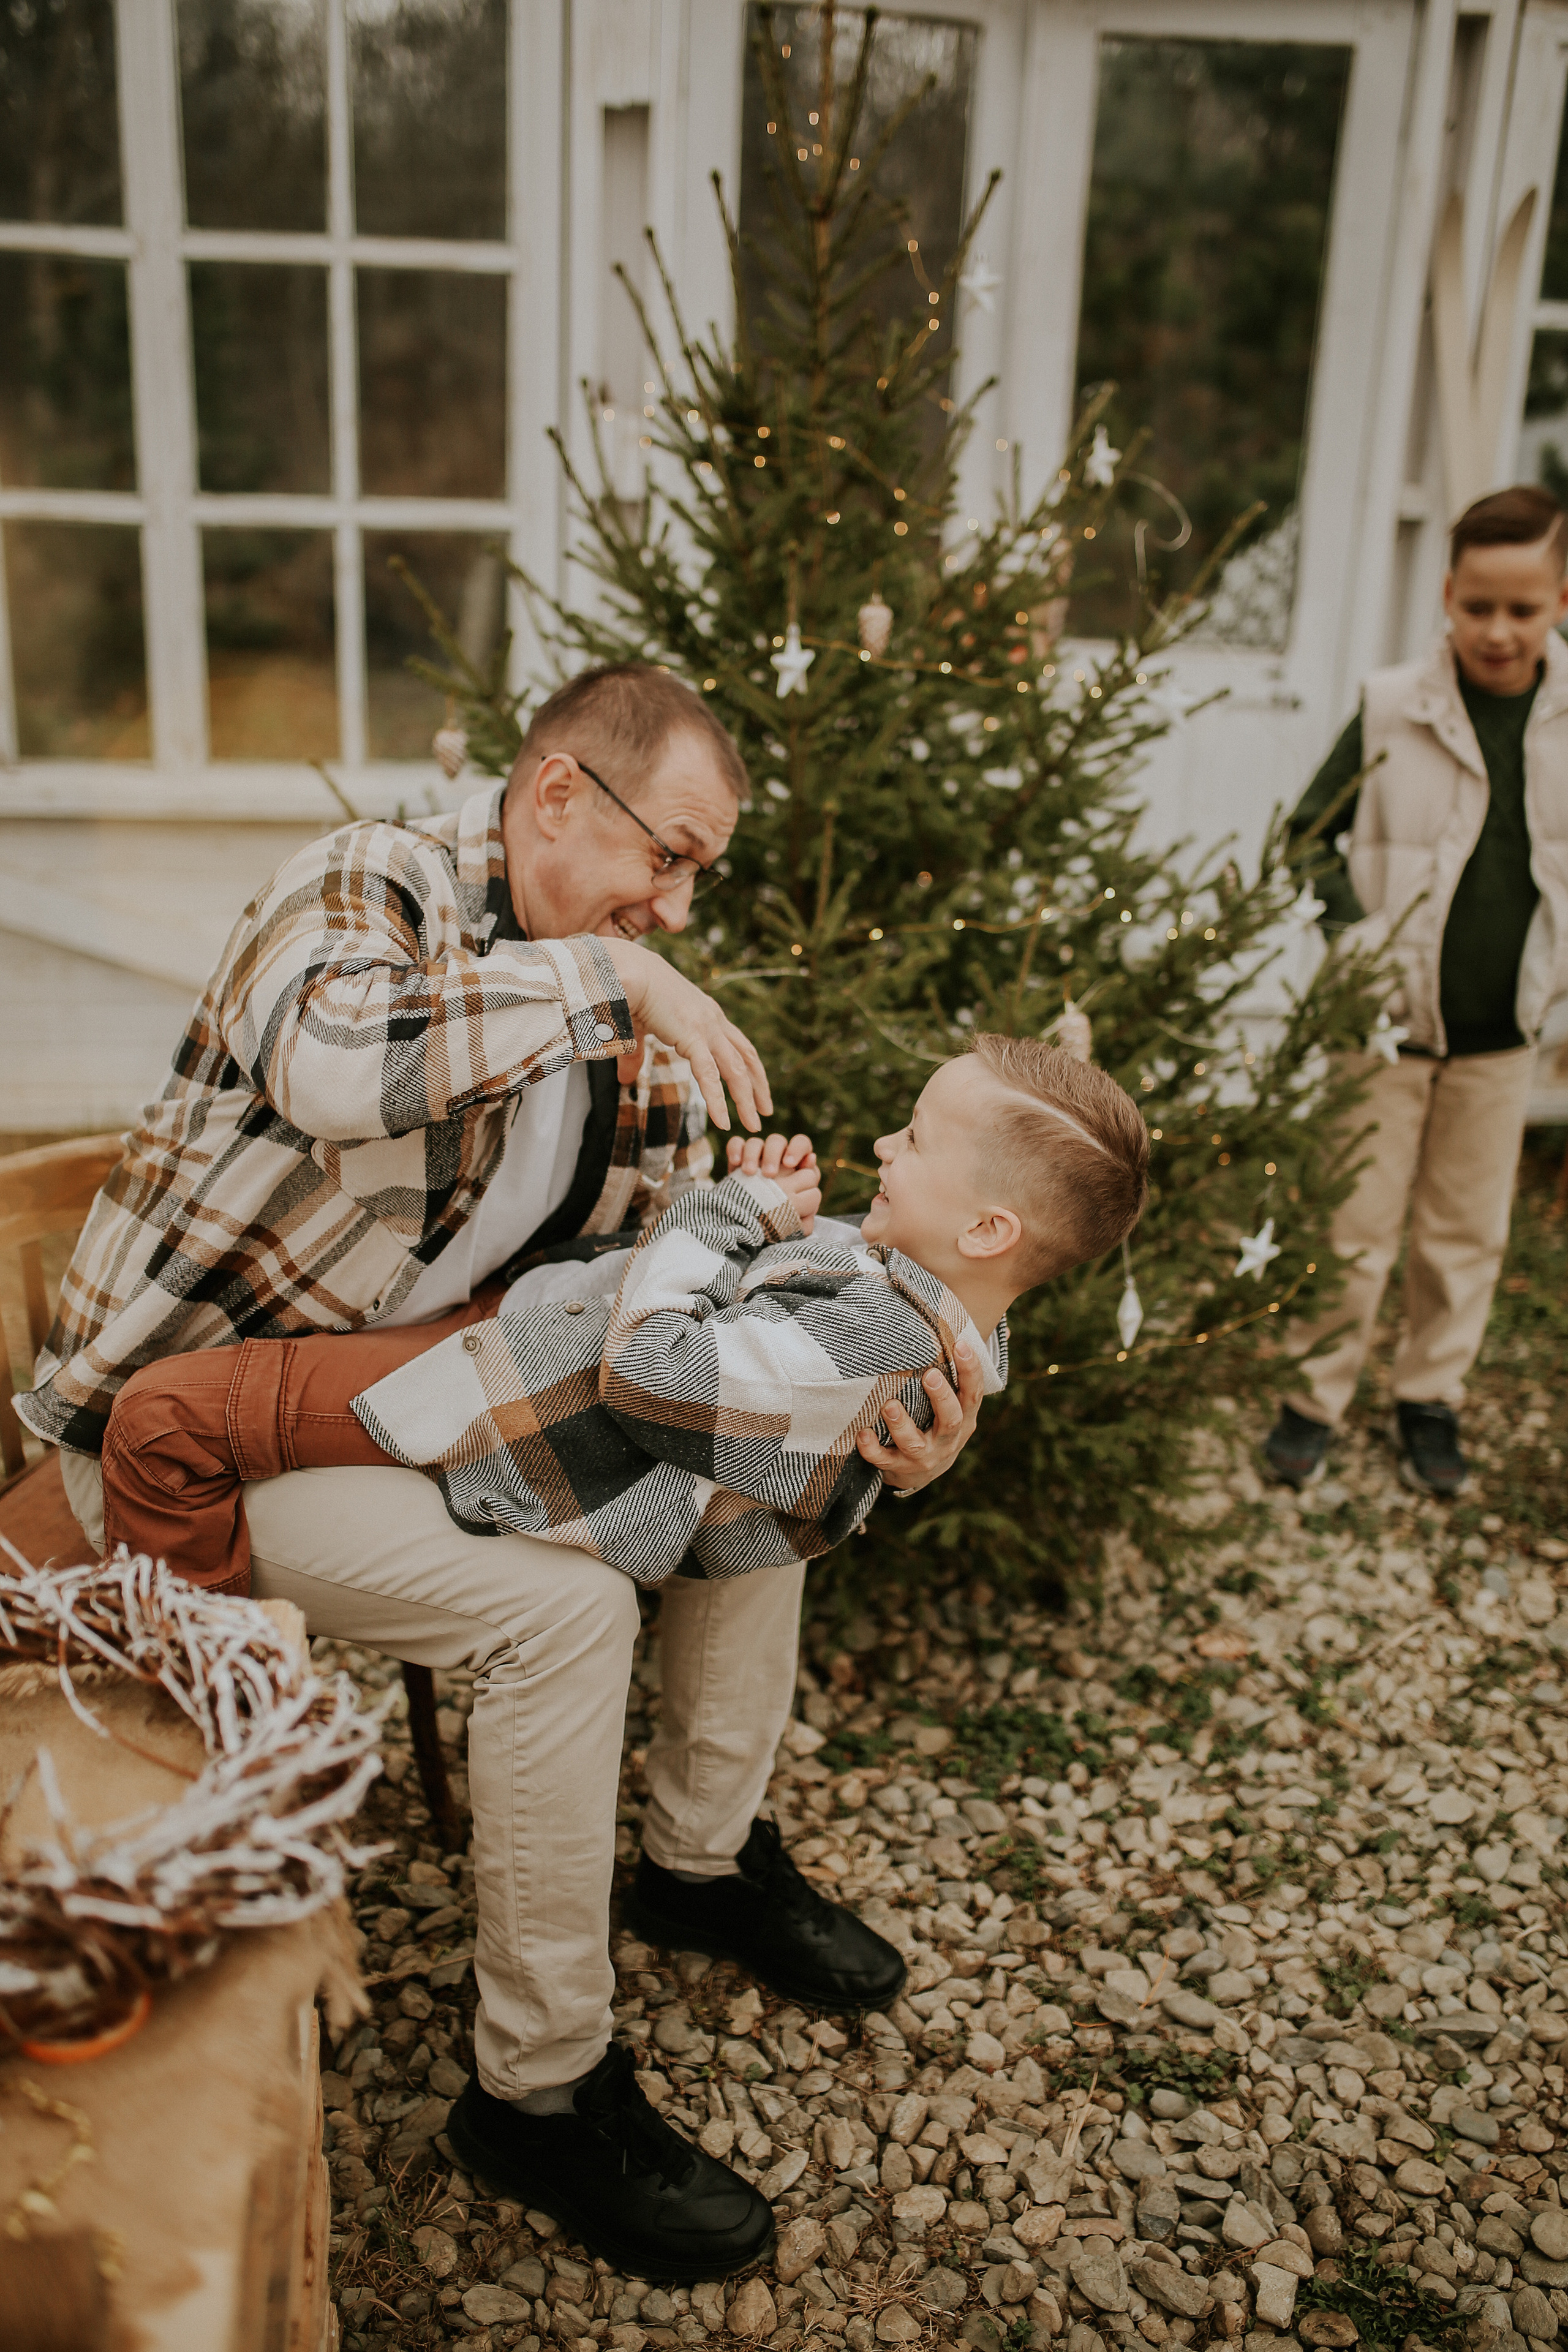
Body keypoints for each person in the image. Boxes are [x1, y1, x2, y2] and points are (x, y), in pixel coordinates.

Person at [18, 662, 989, 2283]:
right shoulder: (369, 883)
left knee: (742, 1485)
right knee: (565, 1618)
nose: (677, 908)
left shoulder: (636, 1014)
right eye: (663, 857)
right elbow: (341, 1065)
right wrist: (599, 975)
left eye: (697, 877)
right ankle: (537, 2093)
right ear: (556, 798)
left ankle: (700, 1858)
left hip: (428, 1401)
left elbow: (706, 1280)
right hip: (189, 1425)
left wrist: (898, 1421)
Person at [94, 1031, 1148, 2271]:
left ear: (982, 1233)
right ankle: (529, 2069)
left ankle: (685, 1884)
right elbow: (772, 1347)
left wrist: (748, 1235)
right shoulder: (452, 993)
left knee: (763, 1518)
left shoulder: (859, 1287)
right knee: (567, 1587)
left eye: (912, 1140)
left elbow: (691, 1359)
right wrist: (745, 1225)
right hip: (419, 1386)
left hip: (521, 1376)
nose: (879, 1144)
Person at [1266, 484, 1568, 1496]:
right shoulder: (1394, 704)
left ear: (1559, 600)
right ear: (1447, 595)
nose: (1497, 629)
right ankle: (1313, 1397)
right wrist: (1356, 944)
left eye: (1521, 609)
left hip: (1503, 1032)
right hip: (1382, 1030)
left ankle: (1429, 1397)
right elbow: (1308, 836)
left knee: (1464, 1232)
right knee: (1353, 1222)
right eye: (1477, 605)